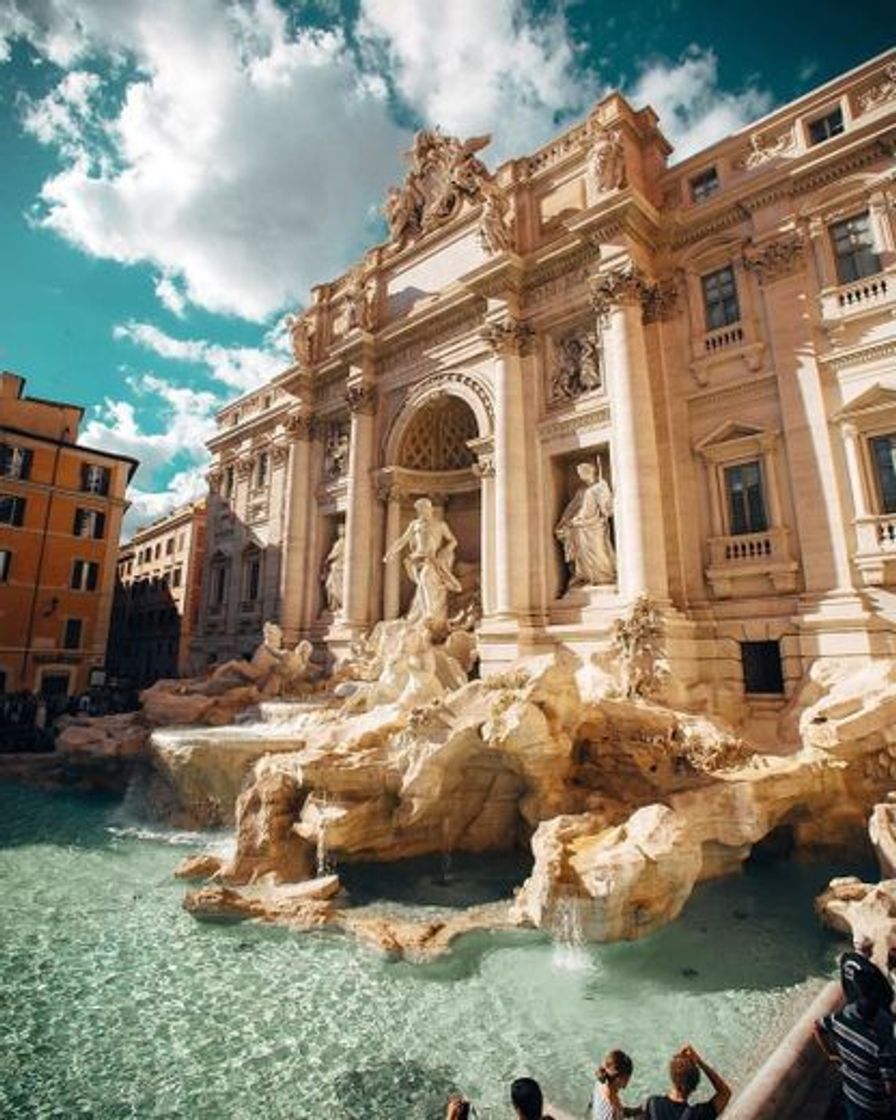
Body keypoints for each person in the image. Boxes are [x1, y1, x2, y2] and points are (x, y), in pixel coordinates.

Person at [815, 965, 896, 1119]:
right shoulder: (880, 1045)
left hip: (850, 1092)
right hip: (875, 1105)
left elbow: (817, 1026)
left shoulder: (838, 1020)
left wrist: (830, 1053)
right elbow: (890, 1088)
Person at [644, 1045, 730, 1119]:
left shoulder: (653, 1104)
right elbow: (725, 1093)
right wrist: (700, 1062)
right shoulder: (698, 1115)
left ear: (672, 1077)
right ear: (694, 1087)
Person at [592, 1050, 641, 1119]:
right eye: (627, 1077)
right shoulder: (613, 1101)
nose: (628, 1080)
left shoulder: (601, 1082)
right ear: (620, 1078)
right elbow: (621, 1112)